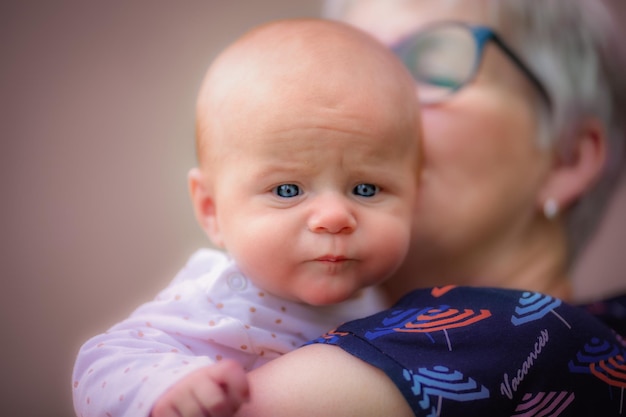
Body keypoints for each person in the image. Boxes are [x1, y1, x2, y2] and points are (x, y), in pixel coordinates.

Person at [231, 1, 626, 416]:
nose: (365, 106)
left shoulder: (534, 339)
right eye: (352, 71)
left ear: (567, 157)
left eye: (432, 64)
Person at [71, 18, 423, 417]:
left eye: (366, 189)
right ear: (211, 210)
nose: (334, 217)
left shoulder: (383, 302)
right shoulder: (219, 297)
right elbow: (101, 361)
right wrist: (168, 388)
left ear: (415, 196)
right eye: (287, 190)